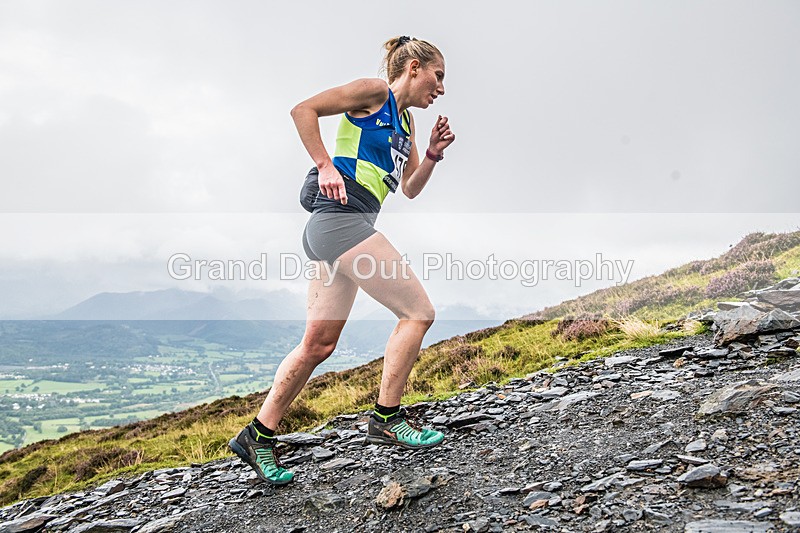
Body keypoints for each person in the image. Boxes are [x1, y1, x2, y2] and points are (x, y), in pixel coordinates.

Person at [229, 35, 455, 485]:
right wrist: (325, 165)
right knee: (418, 312)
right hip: (340, 221)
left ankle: (256, 435)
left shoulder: (406, 123)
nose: (442, 88)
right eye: (438, 75)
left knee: (318, 345)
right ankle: (387, 419)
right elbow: (303, 110)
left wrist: (431, 153)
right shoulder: (374, 92)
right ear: (413, 67)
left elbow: (409, 187)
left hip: (340, 229)